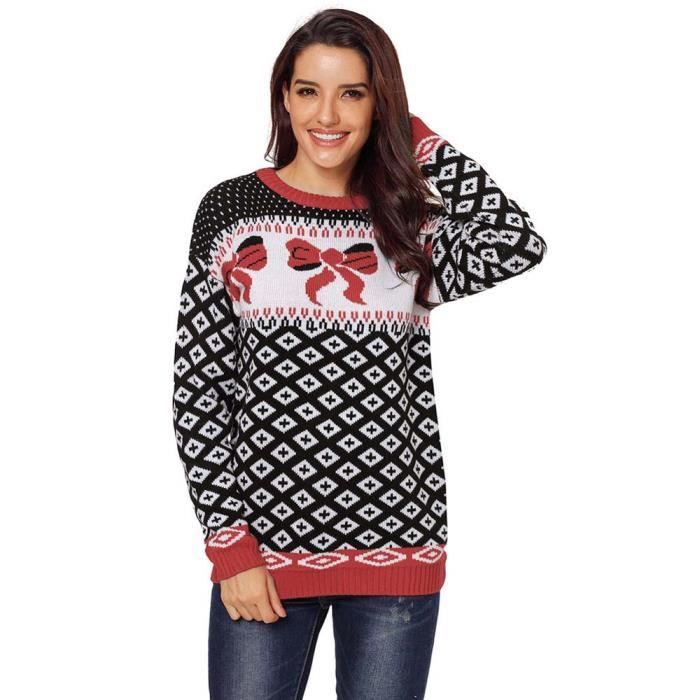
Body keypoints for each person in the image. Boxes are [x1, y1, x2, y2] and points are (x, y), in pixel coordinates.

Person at [172, 8, 547, 699]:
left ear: (381, 103)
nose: (328, 115)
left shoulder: (410, 225)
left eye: (353, 93)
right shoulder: (230, 213)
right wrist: (230, 547)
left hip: (397, 551)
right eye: (308, 90)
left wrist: (414, 137)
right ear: (284, 97)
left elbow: (516, 242)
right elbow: (200, 389)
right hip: (263, 557)